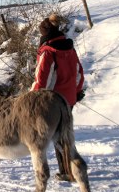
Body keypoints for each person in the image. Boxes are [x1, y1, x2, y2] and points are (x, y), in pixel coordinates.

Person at [31, 14, 85, 182]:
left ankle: (69, 172)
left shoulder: (48, 52)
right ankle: (69, 169)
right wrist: (76, 92)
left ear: (44, 33)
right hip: (69, 99)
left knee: (59, 138)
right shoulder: (70, 48)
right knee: (65, 135)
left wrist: (32, 99)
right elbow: (78, 73)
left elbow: (42, 81)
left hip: (53, 102)